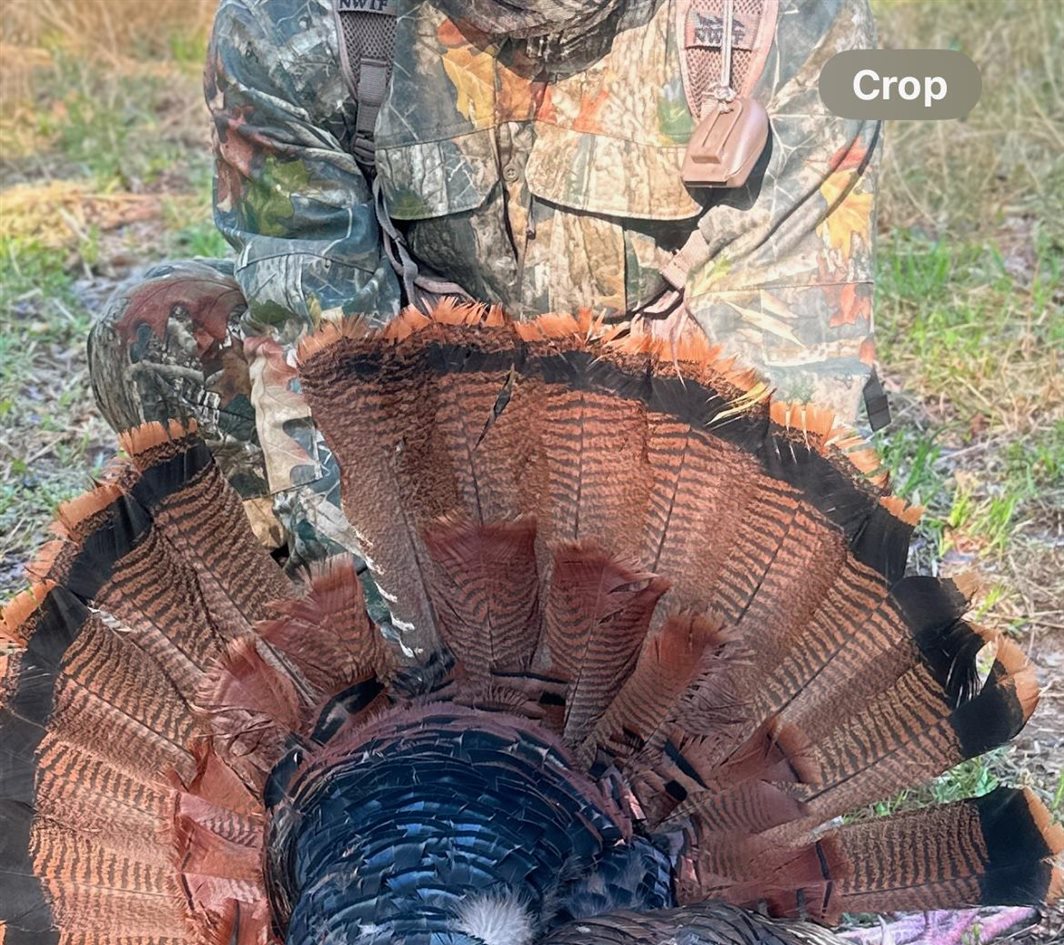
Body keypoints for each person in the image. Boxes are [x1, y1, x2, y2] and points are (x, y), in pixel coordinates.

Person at [89, 0, 881, 567]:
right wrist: (394, 662)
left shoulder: (782, 22)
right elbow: (328, 376)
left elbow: (791, 394)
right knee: (155, 334)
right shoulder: (292, 26)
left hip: (651, 466)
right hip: (427, 445)